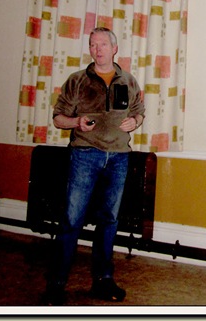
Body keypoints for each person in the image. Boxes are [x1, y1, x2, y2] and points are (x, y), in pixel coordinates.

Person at [42, 27, 145, 306]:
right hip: (85, 156)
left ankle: (102, 280)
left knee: (109, 221)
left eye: (102, 44)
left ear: (114, 49)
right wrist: (76, 122)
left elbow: (138, 111)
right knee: (71, 220)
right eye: (92, 44)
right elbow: (58, 118)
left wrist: (135, 122)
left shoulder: (129, 81)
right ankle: (56, 285)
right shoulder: (76, 81)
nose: (97, 49)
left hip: (119, 157)